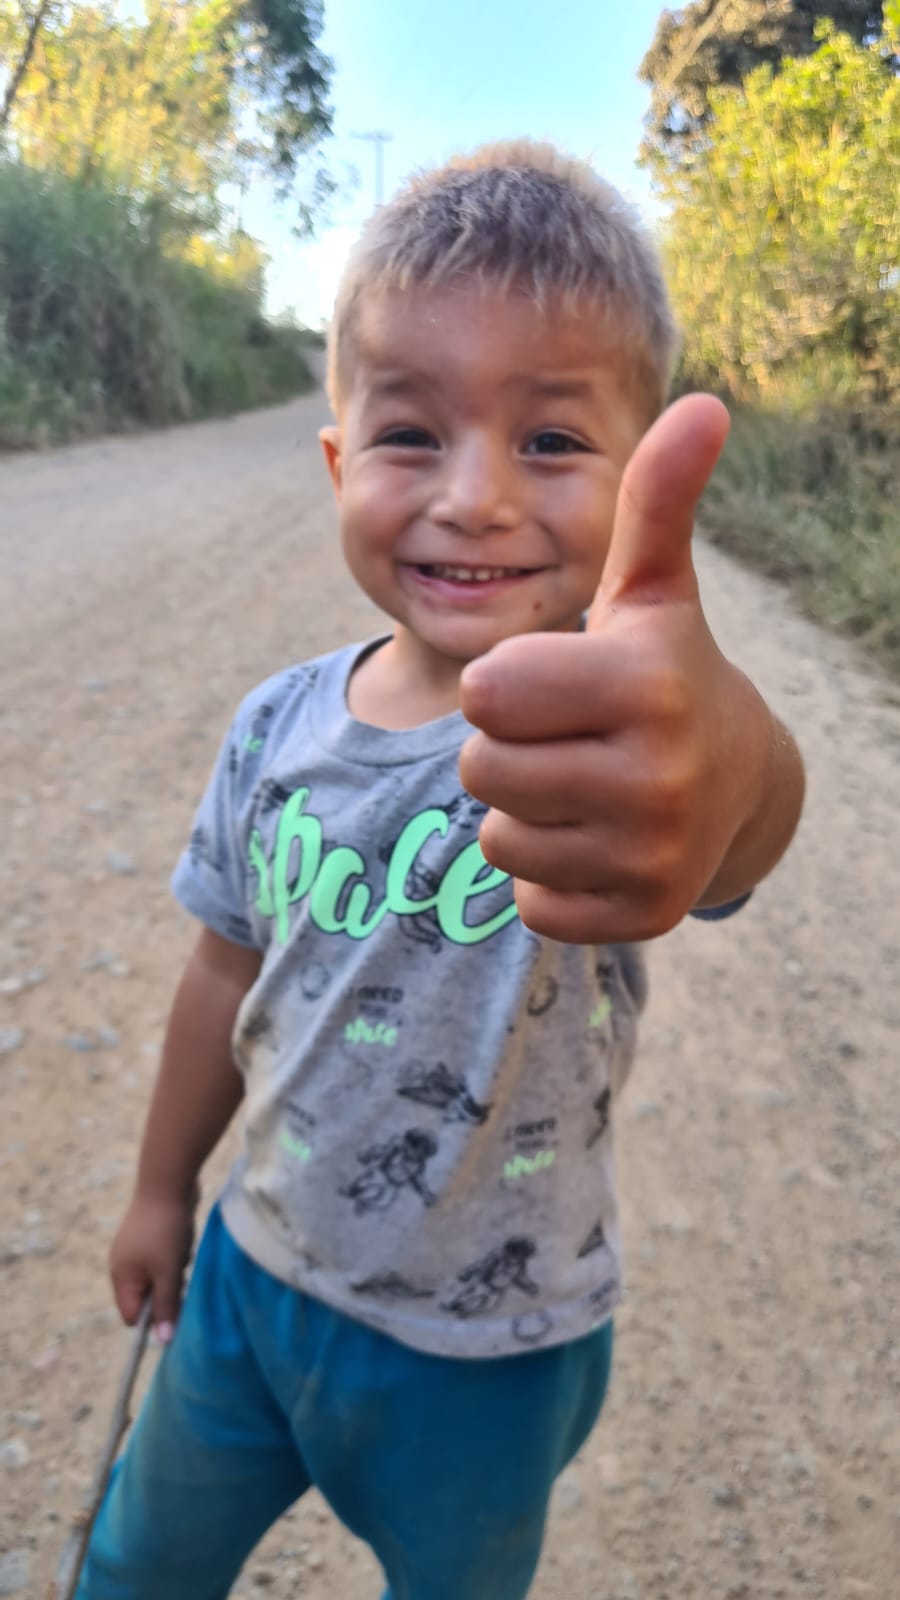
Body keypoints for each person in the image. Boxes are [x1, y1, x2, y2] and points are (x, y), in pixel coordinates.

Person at [76, 140, 804, 1600]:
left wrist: (735, 754)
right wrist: (162, 1190)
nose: (474, 499)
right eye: (412, 434)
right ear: (340, 461)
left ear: (641, 472)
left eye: (549, 442)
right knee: (132, 1570)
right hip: (251, 1282)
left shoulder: (612, 738)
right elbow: (223, 966)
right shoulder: (276, 729)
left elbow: (733, 831)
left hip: (492, 1352)